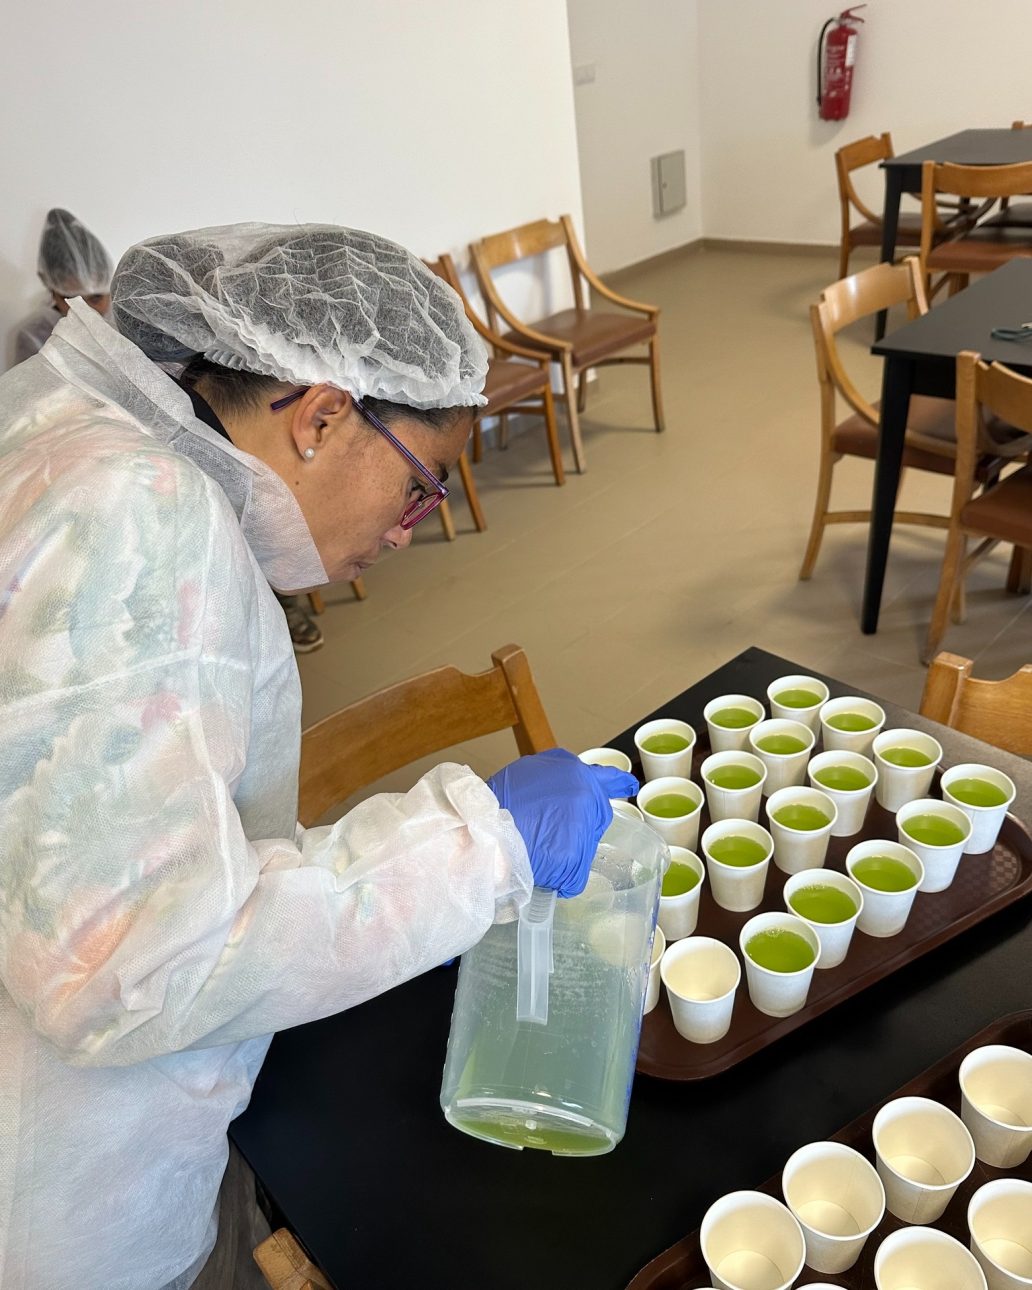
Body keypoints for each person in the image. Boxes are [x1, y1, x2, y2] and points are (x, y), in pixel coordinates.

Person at [0, 223, 637, 1290]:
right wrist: (479, 848)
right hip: (62, 1200)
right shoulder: (136, 516)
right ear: (323, 415)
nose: (409, 530)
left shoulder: (68, 432)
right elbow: (139, 966)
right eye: (420, 485)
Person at [11, 207, 113, 365]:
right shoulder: (34, 339)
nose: (85, 311)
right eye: (71, 300)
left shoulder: (126, 324)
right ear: (52, 290)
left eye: (95, 298)